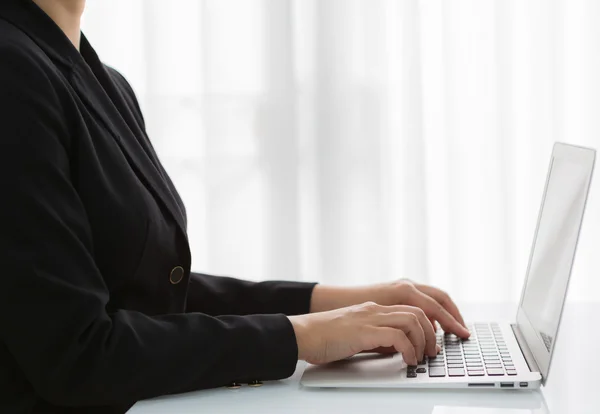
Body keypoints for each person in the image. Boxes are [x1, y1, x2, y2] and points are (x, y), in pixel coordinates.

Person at [0, 1, 470, 413]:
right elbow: (76, 354)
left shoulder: (98, 79)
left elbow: (148, 294)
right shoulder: (12, 72)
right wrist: (302, 337)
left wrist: (333, 303)